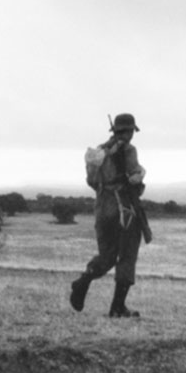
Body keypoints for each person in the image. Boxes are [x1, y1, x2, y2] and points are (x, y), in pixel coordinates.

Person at [70, 113, 147, 318]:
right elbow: (133, 177)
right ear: (129, 131)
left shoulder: (99, 151)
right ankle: (117, 307)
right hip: (123, 209)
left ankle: (83, 281)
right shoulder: (129, 150)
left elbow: (91, 182)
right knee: (127, 255)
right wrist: (140, 174)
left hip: (102, 207)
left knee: (106, 256)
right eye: (131, 131)